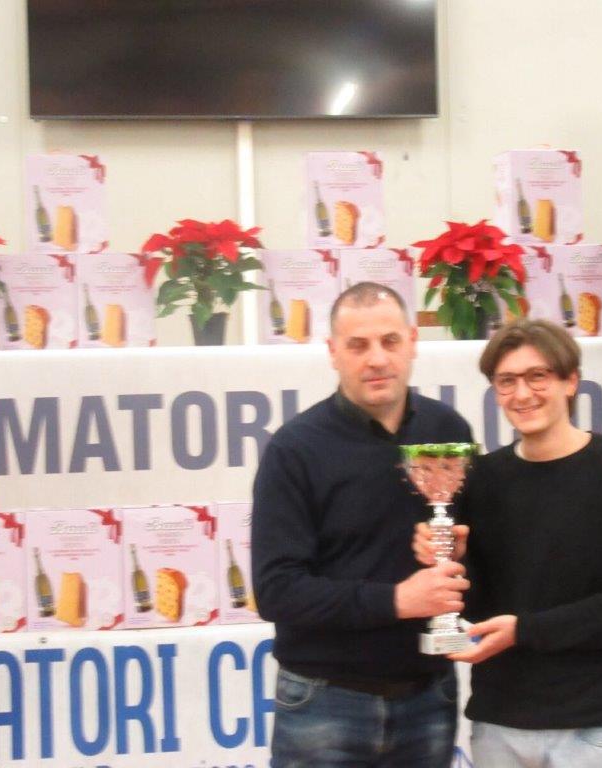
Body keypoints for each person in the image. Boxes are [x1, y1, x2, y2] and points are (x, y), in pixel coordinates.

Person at [415, 319, 602, 767]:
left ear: (570, 381)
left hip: (598, 728)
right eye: (507, 381)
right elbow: (477, 608)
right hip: (500, 727)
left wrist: (525, 631)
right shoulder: (480, 478)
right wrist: (452, 562)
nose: (522, 393)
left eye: (538, 376)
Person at [251, 281, 474, 768]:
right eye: (358, 345)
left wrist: (459, 554)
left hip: (429, 695)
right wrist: (397, 601)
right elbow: (276, 591)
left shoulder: (448, 431)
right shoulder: (295, 449)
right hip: (325, 701)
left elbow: (473, 564)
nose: (377, 359)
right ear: (333, 352)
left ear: (412, 342)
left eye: (390, 341)